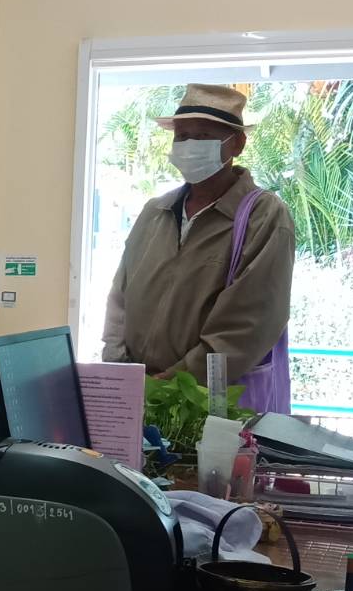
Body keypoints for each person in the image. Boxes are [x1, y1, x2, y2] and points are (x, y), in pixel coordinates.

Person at [102, 84, 295, 414]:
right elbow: (120, 299)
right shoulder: (155, 212)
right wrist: (121, 373)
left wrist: (172, 385)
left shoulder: (264, 217)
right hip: (139, 398)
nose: (189, 146)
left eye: (203, 135)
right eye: (182, 136)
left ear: (237, 144)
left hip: (209, 404)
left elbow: (247, 326)